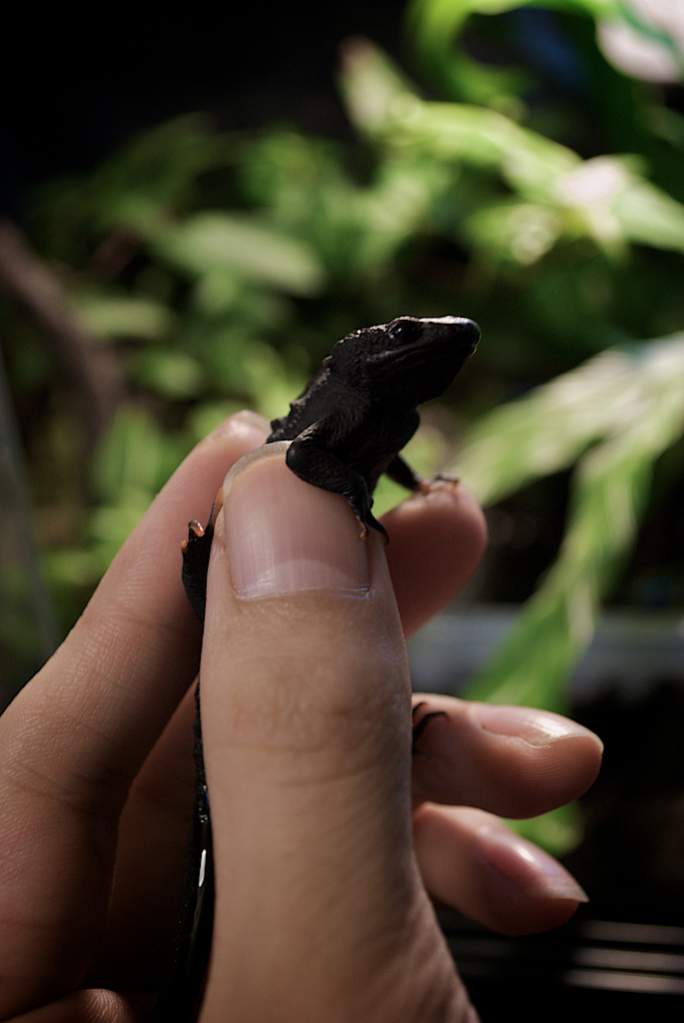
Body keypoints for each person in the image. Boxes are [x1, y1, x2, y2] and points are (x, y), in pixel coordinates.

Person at [0, 410, 603, 1022]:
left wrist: (416, 485)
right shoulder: (351, 399)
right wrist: (333, 520)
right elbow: (302, 461)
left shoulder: (396, 413)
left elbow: (384, 446)